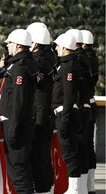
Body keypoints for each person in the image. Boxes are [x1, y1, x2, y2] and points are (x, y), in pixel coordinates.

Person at [0, 29, 38, 193]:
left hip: (16, 123)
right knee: (22, 171)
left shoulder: (20, 68)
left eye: (10, 43)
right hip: (21, 122)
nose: (7, 46)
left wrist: (13, 128)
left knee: (18, 172)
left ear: (19, 45)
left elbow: (18, 101)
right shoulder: (22, 64)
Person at [52, 33, 82, 193]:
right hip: (63, 112)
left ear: (64, 48)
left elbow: (69, 95)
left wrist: (65, 119)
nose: (56, 48)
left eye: (58, 46)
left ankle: (74, 190)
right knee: (69, 151)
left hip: (65, 113)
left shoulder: (68, 66)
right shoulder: (65, 65)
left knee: (69, 152)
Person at [27, 24, 55, 193]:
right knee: (43, 158)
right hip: (44, 112)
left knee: (38, 158)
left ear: (35, 43)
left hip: (40, 114)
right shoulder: (48, 57)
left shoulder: (40, 62)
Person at [66, 29, 93, 193]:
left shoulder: (76, 62)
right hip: (86, 105)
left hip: (79, 107)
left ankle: (78, 189)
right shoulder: (88, 59)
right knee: (85, 148)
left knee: (75, 150)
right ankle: (84, 188)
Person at [80, 29, 99, 194]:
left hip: (83, 104)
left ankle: (83, 187)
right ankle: (90, 186)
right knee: (89, 146)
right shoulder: (93, 58)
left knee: (81, 146)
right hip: (91, 103)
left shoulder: (81, 59)